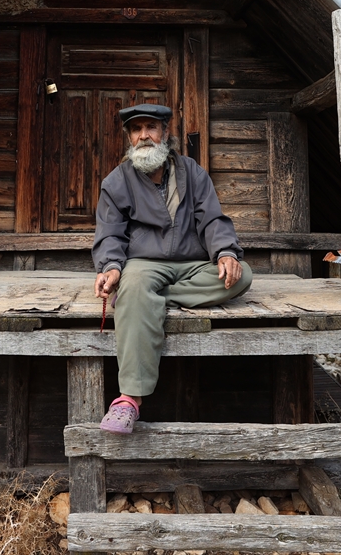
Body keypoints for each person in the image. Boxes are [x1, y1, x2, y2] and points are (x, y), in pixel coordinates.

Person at [92, 103, 253, 434]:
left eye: (151, 127)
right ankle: (128, 399)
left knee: (242, 277)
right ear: (130, 137)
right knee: (136, 284)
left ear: (165, 133)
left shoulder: (192, 172)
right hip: (144, 264)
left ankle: (147, 300)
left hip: (192, 264)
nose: (144, 136)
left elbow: (212, 219)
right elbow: (109, 233)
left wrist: (225, 253)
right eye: (137, 130)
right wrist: (111, 268)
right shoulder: (117, 181)